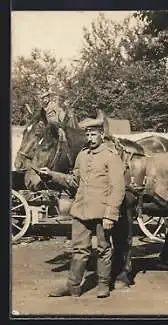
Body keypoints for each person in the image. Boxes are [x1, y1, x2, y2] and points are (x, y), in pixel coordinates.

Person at [41, 118, 126, 298]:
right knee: (79, 249)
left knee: (103, 248)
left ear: (101, 135)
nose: (90, 137)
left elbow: (118, 188)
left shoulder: (111, 156)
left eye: (93, 134)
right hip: (81, 210)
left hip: (102, 212)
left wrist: (110, 215)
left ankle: (103, 284)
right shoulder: (82, 155)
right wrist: (52, 175)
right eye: (87, 134)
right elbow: (74, 181)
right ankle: (73, 285)